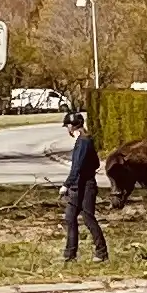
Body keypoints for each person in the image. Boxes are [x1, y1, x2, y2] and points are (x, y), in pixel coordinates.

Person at [61, 106, 106, 261]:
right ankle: (70, 254)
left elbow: (77, 166)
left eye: (67, 125)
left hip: (83, 186)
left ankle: (101, 252)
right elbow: (95, 163)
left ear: (71, 126)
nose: (67, 129)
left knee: (87, 218)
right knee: (70, 217)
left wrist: (66, 184)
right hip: (83, 184)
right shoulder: (86, 140)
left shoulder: (83, 142)